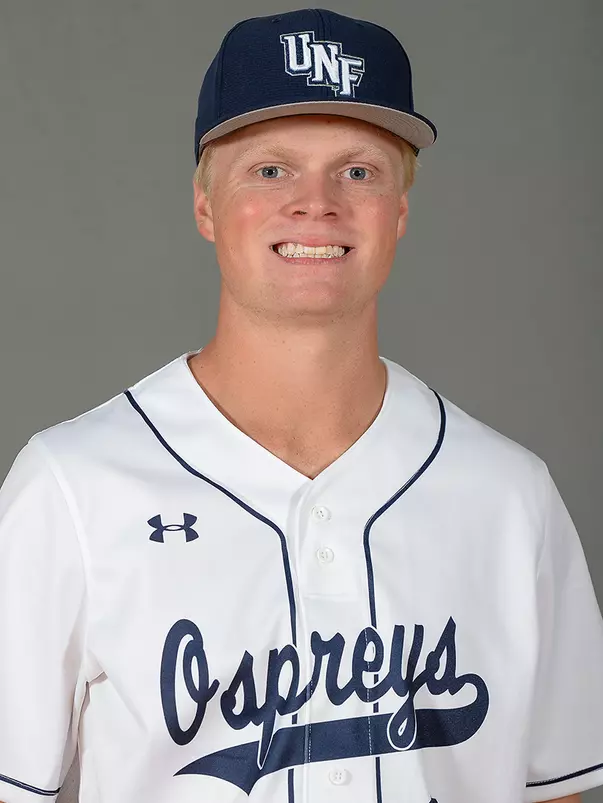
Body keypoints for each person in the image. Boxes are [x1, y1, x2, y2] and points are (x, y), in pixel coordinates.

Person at [0, 8, 601, 803]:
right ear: (205, 207)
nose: (316, 203)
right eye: (270, 169)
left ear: (399, 212)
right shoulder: (72, 488)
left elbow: (554, 790)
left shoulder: (509, 496)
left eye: (358, 172)